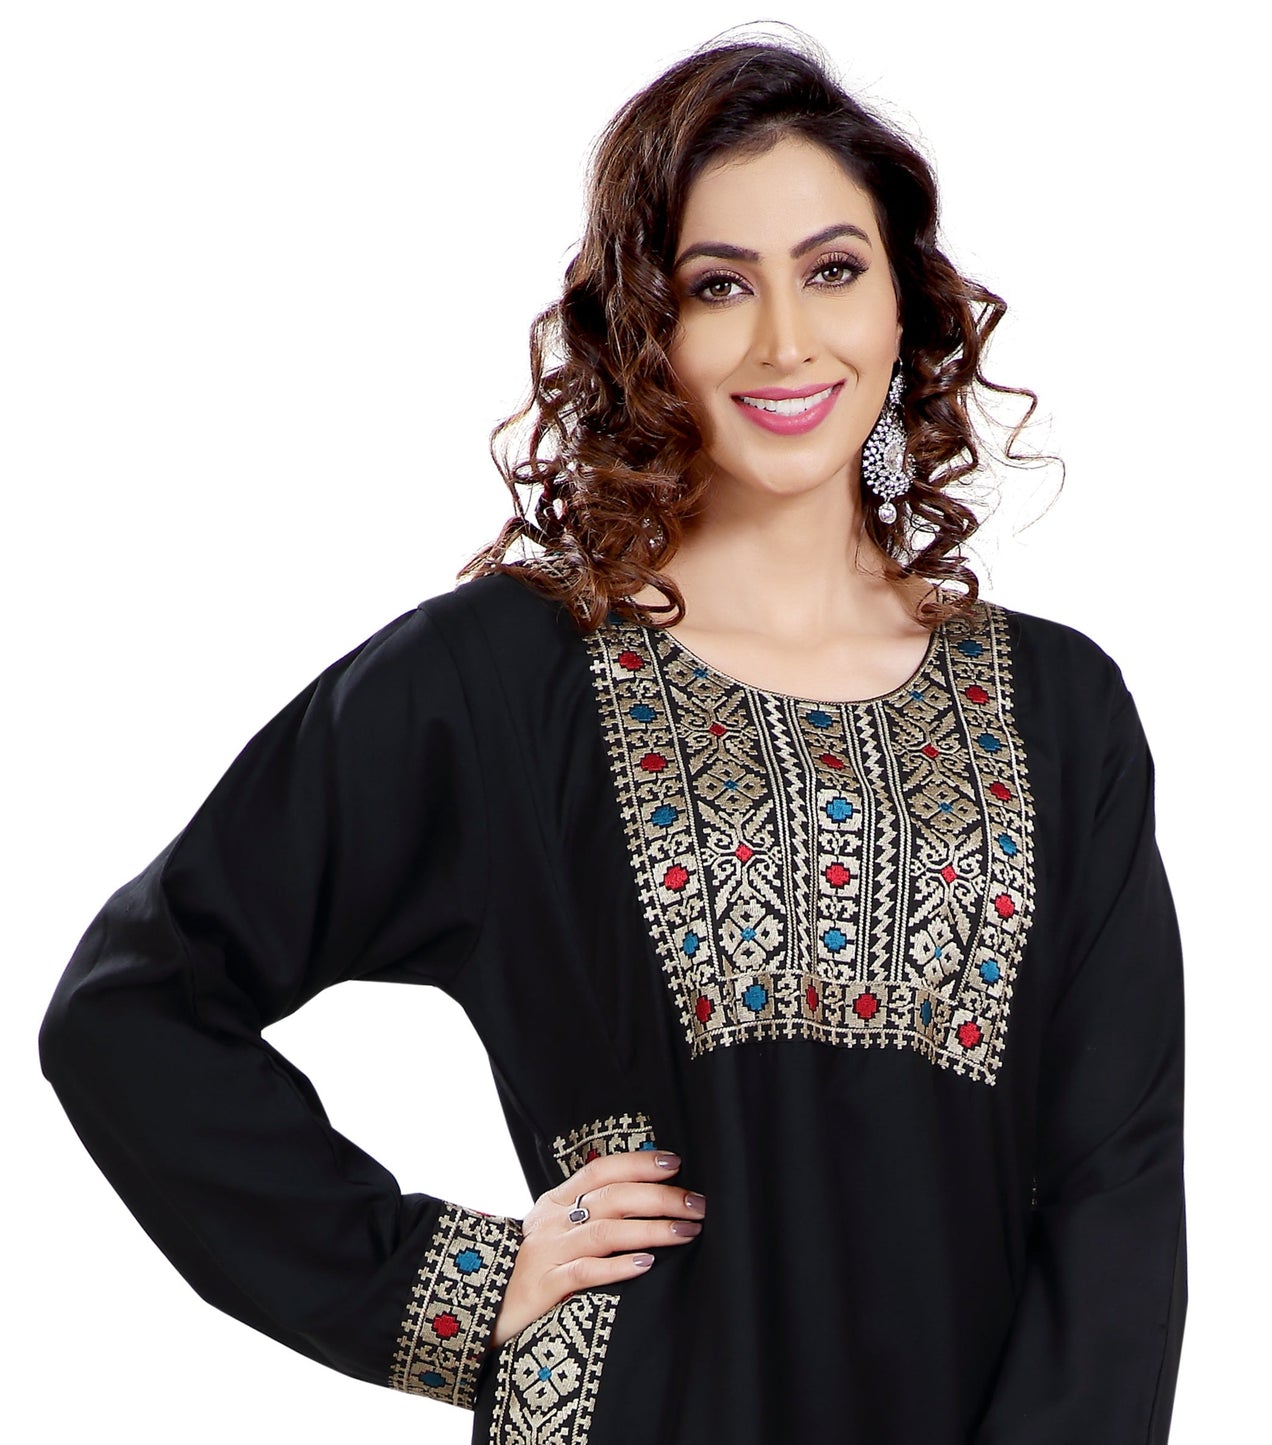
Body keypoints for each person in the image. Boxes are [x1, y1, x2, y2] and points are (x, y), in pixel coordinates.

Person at [38, 33, 1187, 1445]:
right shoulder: (501, 681)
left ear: (905, 305)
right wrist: (447, 1285)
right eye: (719, 286)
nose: (785, 341)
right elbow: (132, 1007)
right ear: (646, 330)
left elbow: (1116, 1188)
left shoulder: (1059, 711)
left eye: (832, 270)